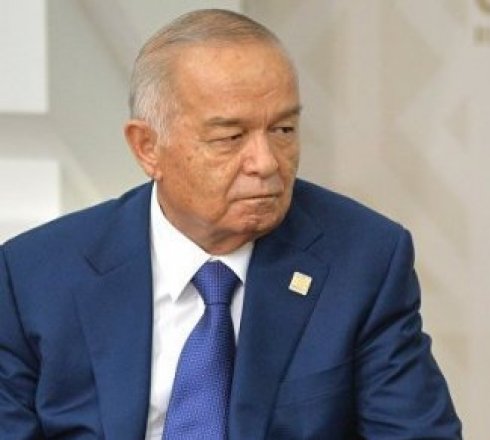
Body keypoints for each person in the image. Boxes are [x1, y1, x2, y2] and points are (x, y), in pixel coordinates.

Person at [0, 9, 461, 439]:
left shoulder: (362, 260)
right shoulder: (35, 277)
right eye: (230, 137)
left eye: (283, 130)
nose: (266, 163)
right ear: (147, 147)